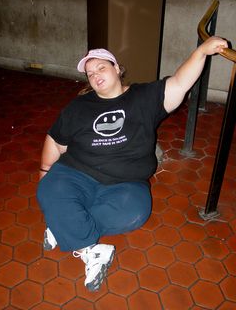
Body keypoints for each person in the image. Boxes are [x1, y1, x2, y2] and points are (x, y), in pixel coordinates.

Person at [37, 36, 227, 292]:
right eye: (90, 73)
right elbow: (56, 140)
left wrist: (202, 51)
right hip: (77, 172)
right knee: (49, 189)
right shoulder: (79, 106)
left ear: (117, 68)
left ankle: (62, 225)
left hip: (125, 183)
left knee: (136, 211)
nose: (95, 75)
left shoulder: (143, 97)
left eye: (101, 67)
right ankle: (91, 249)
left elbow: (180, 83)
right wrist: (45, 172)